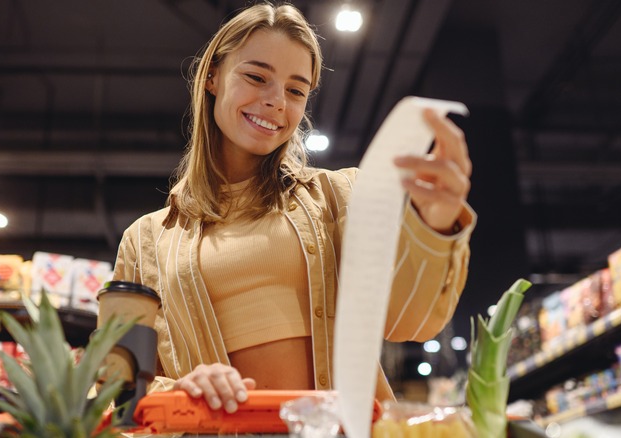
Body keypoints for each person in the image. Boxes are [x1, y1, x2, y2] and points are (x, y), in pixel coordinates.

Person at [110, 1, 475, 415]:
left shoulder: (341, 197)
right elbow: (121, 389)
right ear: (212, 76)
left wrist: (435, 223)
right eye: (256, 76)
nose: (276, 101)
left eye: (296, 90)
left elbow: (413, 322)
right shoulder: (143, 241)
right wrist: (178, 390)